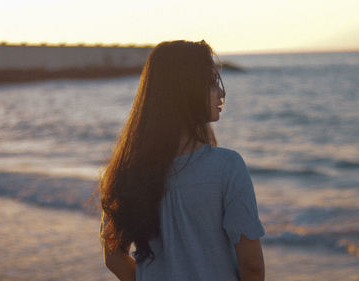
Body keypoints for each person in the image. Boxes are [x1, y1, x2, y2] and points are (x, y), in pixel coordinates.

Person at [98, 40, 265, 281]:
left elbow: (113, 257)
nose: (221, 92)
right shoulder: (227, 166)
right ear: (186, 90)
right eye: (211, 82)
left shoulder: (126, 170)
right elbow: (252, 264)